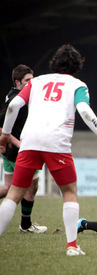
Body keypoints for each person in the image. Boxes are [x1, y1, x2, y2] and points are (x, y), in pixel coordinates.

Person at [0, 44, 97, 256]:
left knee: (13, 194)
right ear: (77, 66)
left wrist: (5, 133)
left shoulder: (36, 81)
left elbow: (13, 106)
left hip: (29, 142)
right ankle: (72, 247)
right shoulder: (78, 85)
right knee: (69, 193)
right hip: (57, 144)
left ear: (54, 62)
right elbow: (84, 109)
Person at [0, 65, 47, 234]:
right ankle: (25, 226)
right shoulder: (16, 99)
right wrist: (21, 144)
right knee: (30, 187)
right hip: (18, 151)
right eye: (28, 80)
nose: (32, 83)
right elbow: (1, 126)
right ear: (17, 82)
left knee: (7, 188)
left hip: (9, 151)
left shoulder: (18, 96)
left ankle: (25, 225)